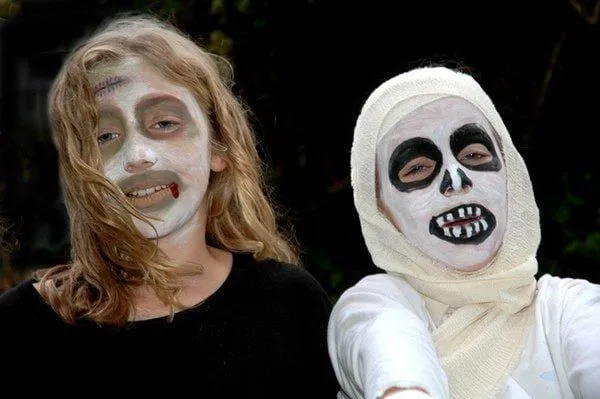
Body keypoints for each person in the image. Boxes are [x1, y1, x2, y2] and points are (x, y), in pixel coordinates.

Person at [0, 13, 338, 397]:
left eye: (164, 123)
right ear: (79, 170)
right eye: (105, 135)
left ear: (219, 147)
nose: (137, 156)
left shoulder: (288, 303)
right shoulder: (23, 325)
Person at [327, 66, 600, 399]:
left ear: (509, 175)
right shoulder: (376, 306)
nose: (456, 180)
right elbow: (388, 345)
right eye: (417, 168)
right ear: (381, 211)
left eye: (474, 154)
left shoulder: (565, 310)